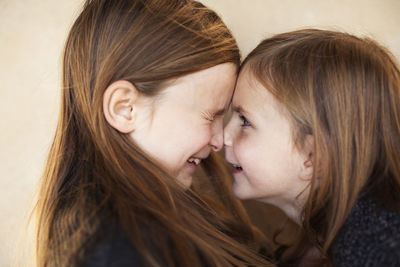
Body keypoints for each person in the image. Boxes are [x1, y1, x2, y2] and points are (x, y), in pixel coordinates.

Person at [34, 0, 274, 266]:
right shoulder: (117, 249)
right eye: (211, 116)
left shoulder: (163, 212)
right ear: (125, 109)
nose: (219, 141)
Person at [224, 29, 400, 266]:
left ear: (314, 157)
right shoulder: (330, 242)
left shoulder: (379, 250)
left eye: (245, 121)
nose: (223, 136)